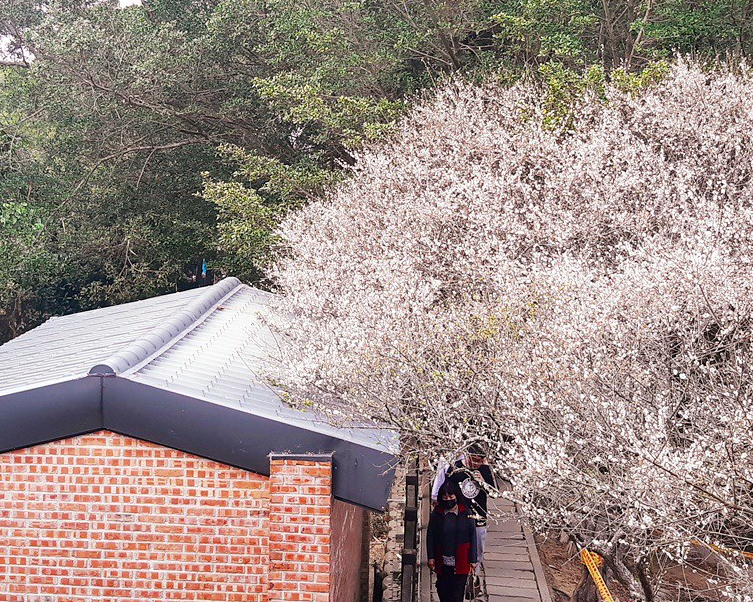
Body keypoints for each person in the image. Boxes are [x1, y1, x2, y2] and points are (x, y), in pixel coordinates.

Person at [443, 443, 497, 582]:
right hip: (459, 515)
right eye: (473, 459)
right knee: (459, 546)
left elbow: (494, 492)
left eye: (479, 461)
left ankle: (474, 577)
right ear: (466, 455)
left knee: (478, 547)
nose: (475, 464)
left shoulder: (485, 470)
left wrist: (483, 482)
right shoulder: (456, 468)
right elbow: (446, 489)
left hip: (479, 515)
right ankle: (457, 574)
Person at [426, 481, 478, 602]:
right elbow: (431, 535)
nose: (448, 499)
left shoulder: (466, 512)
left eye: (451, 496)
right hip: (442, 559)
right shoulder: (437, 514)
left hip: (461, 559)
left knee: (457, 593)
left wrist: (473, 559)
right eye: (445, 496)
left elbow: (472, 536)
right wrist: (431, 557)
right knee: (443, 590)